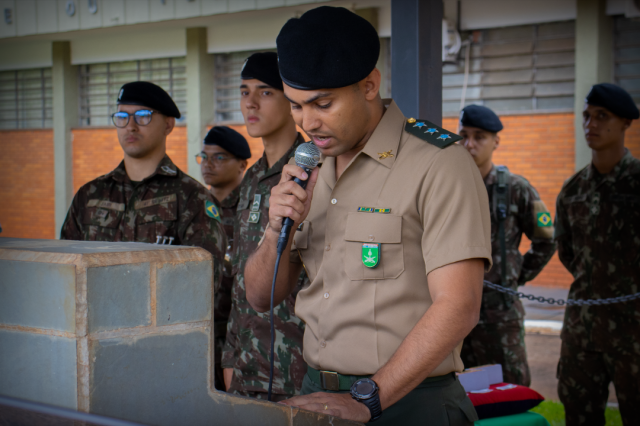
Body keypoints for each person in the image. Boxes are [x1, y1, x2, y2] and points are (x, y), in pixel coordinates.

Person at [244, 7, 492, 424]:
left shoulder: (438, 163)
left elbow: (459, 305)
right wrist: (274, 230)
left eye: (323, 103)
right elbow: (259, 297)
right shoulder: (306, 169)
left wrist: (369, 398)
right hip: (318, 393)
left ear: (369, 85)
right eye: (296, 106)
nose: (308, 122)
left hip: (410, 400)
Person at [60, 81, 226, 290]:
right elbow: (65, 272)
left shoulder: (193, 198)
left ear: (168, 125)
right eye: (122, 117)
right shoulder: (89, 195)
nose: (131, 125)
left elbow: (204, 281)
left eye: (143, 115)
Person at [220, 52, 309, 401]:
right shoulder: (253, 178)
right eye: (244, 92)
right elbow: (238, 277)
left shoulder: (313, 174)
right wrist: (230, 358)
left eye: (265, 92)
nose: (250, 103)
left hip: (296, 371)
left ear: (291, 100)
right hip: (245, 372)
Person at [554, 83, 640, 426]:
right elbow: (567, 252)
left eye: (602, 117)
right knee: (580, 416)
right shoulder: (573, 189)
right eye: (587, 116)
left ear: (625, 124)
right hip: (583, 331)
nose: (591, 124)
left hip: (634, 331)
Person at [457, 105, 556, 386]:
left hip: (500, 316)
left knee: (510, 390)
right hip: (454, 311)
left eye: (479, 137)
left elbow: (547, 237)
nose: (469, 144)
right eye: (463, 135)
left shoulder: (516, 188)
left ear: (496, 141)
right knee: (458, 392)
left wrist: (516, 276)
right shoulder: (448, 186)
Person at [197, 125, 251, 391]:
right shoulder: (194, 207)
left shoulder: (251, 207)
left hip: (238, 337)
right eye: (204, 157)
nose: (208, 164)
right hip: (199, 331)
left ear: (242, 164)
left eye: (219, 157)